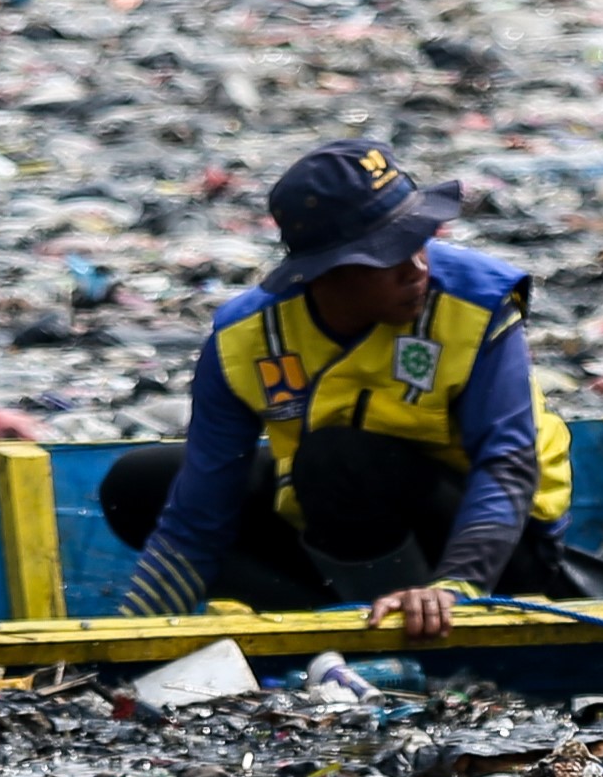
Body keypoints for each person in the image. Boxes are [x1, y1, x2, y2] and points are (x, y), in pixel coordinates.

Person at [104, 143, 572, 640]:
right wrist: (127, 642)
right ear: (325, 272)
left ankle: (419, 635)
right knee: (140, 484)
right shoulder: (246, 338)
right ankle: (339, 618)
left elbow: (506, 464)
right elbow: (199, 513)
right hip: (340, 526)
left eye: (420, 240)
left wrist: (456, 589)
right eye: (389, 253)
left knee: (337, 459)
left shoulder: (476, 299)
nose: (416, 267)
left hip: (495, 546)